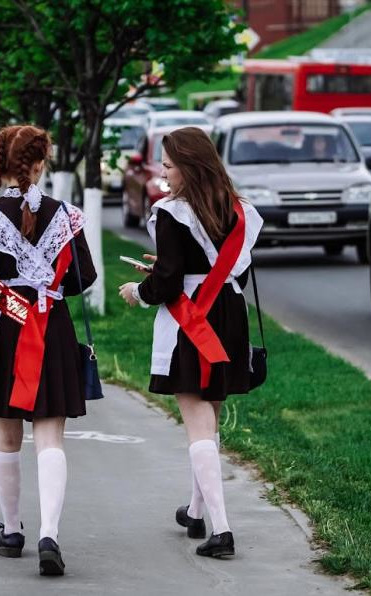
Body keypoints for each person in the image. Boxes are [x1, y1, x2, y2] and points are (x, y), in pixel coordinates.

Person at [0, 125, 96, 577]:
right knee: (50, 437)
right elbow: (84, 279)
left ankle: (12, 531)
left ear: (0, 163)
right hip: (51, 329)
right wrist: (49, 280)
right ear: (40, 165)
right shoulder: (64, 215)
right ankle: (49, 535)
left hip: (7, 332)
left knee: (6, 437)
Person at [117, 127, 262, 559]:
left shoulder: (170, 212)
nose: (162, 173)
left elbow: (169, 281)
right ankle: (196, 511)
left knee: (197, 422)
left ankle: (221, 530)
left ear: (188, 165)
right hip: (230, 315)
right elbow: (238, 272)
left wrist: (138, 293)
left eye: (167, 165)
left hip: (193, 318)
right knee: (210, 416)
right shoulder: (239, 210)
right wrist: (168, 269)